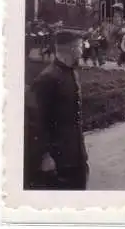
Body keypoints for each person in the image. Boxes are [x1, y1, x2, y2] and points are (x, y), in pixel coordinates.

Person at [25, 30, 89, 190]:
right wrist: (44, 156)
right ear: (72, 49)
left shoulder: (71, 73)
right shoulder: (47, 79)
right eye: (80, 47)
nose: (82, 51)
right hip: (57, 160)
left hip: (75, 156)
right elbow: (36, 122)